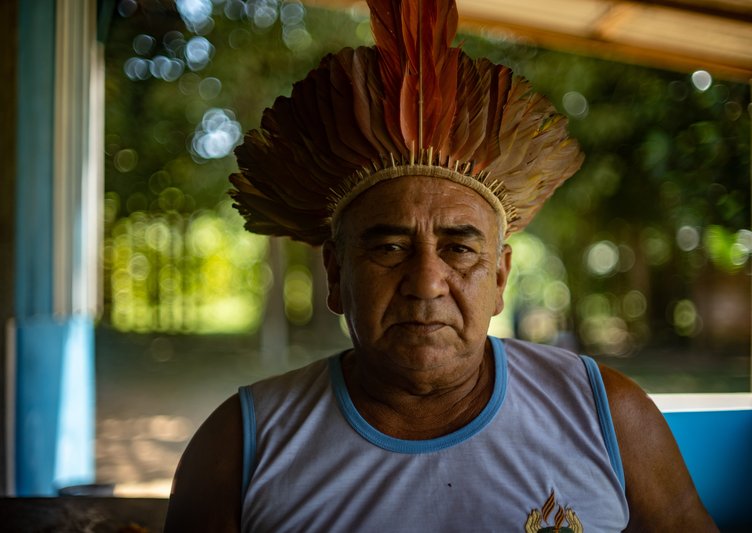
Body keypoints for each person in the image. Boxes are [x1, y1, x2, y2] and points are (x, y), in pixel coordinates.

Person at [165, 0, 717, 530]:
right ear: (335, 276)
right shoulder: (240, 446)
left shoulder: (608, 417)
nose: (426, 283)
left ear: (500, 278)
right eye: (388, 248)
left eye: (459, 248)